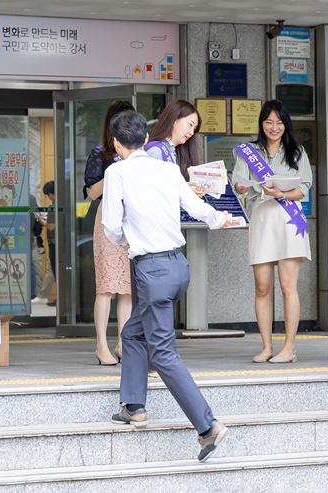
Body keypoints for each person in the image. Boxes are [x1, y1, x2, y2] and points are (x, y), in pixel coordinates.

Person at [102, 109, 233, 462]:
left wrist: (125, 240)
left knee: (163, 352)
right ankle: (133, 406)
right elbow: (194, 205)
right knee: (132, 333)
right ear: (146, 139)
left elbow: (112, 226)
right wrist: (221, 218)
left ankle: (207, 427)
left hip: (152, 270)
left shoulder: (116, 172)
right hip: (178, 266)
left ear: (116, 143)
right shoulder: (165, 168)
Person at [232, 100, 312, 364]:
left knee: (288, 286)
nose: (274, 127)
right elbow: (238, 183)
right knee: (262, 287)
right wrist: (243, 188)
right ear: (261, 124)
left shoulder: (297, 152)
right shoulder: (248, 152)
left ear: (286, 124)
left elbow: (305, 188)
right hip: (262, 219)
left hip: (290, 220)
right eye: (269, 122)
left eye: (279, 122)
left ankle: (289, 348)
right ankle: (266, 346)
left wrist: (282, 193)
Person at [84, 100, 134, 366]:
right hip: (108, 220)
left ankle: (123, 344)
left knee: (127, 289)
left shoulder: (140, 153)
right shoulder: (100, 153)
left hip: (134, 220)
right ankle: (101, 345)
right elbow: (91, 192)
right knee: (106, 287)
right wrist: (116, 171)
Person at [145, 99, 207, 197]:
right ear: (174, 120)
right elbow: (150, 189)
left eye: (194, 129)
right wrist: (184, 190)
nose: (191, 132)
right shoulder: (156, 150)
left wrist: (187, 188)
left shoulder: (172, 151)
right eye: (190, 125)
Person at [42, 180, 57, 307]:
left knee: (55, 269)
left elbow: (51, 227)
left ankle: (59, 299)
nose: (48, 197)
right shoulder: (64, 204)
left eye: (48, 194)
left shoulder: (53, 207)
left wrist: (41, 221)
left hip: (54, 243)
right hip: (61, 242)